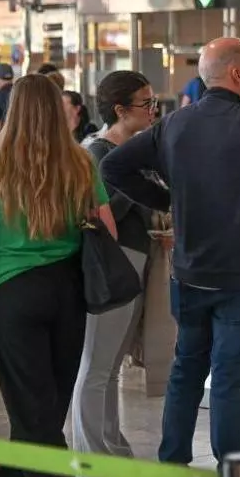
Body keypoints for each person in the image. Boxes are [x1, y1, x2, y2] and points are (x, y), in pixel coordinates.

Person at [101, 38, 240, 466]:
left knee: (185, 370)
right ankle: (232, 470)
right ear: (237, 74)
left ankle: (172, 463)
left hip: (190, 272)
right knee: (229, 381)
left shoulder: (174, 125)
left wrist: (166, 200)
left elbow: (114, 166)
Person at [0, 75, 116, 477]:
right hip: (68, 291)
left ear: (14, 110)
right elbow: (108, 231)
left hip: (13, 293)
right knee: (44, 409)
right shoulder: (81, 164)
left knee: (32, 414)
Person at [71, 70, 160, 457]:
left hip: (136, 257)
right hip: (111, 262)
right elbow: (101, 211)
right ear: (121, 110)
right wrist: (136, 184)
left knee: (110, 367)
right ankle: (91, 455)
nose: (153, 109)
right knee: (95, 366)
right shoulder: (98, 153)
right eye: (146, 102)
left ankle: (111, 447)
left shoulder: (134, 151)